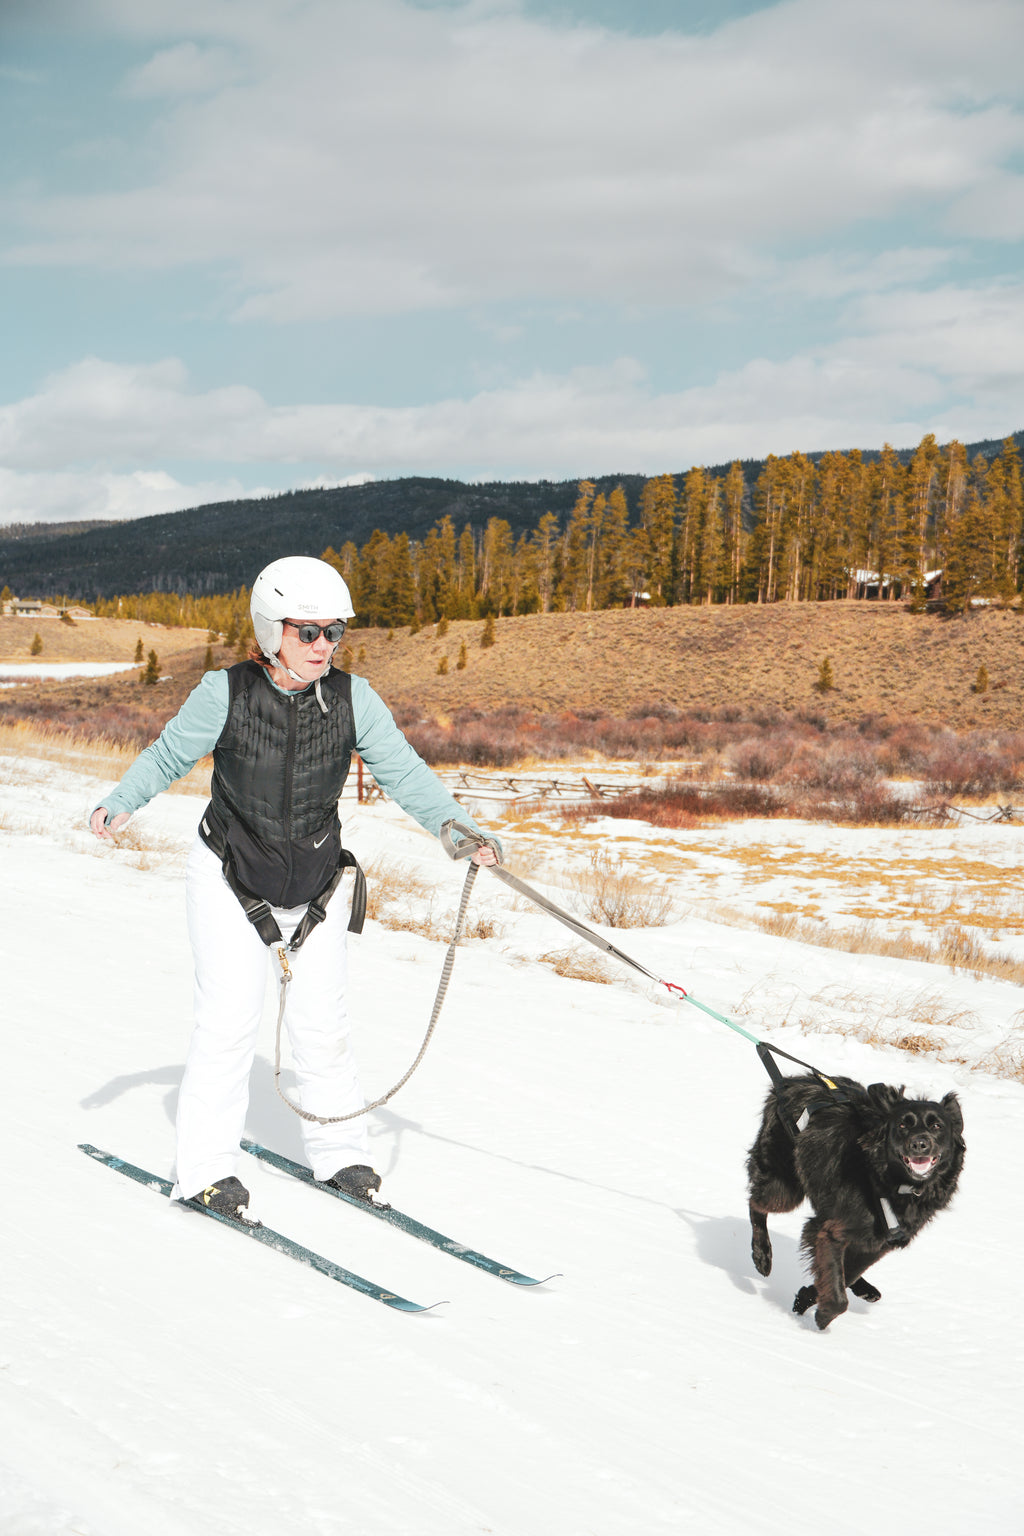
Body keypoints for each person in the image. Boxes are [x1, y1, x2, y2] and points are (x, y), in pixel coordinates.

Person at [90, 556, 498, 1221]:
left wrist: (460, 833)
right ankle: (205, 1171)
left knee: (322, 1027)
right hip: (230, 875)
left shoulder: (354, 699)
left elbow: (405, 774)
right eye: (308, 632)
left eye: (334, 632)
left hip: (316, 884)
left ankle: (340, 1155)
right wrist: (121, 802)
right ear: (271, 627)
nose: (323, 647)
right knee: (229, 1023)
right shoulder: (223, 693)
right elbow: (168, 754)